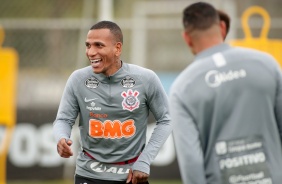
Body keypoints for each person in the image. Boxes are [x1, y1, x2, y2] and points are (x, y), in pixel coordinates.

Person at [169, 2, 282, 184]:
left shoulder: (182, 88)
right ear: (222, 27)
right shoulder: (267, 65)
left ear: (187, 38)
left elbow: (191, 160)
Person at [53, 20, 172, 184]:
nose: (91, 52)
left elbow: (166, 119)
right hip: (88, 174)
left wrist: (144, 161)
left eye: (98, 46)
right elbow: (64, 119)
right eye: (88, 46)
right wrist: (61, 137)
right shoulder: (78, 79)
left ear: (117, 48)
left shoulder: (145, 79)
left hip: (131, 176)